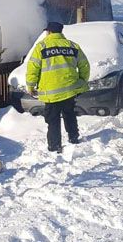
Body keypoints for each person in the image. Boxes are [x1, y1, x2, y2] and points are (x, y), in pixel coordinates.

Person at [26, 22, 90, 153]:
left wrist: (31, 85)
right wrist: (82, 80)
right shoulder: (72, 46)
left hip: (52, 92)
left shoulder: (41, 47)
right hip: (70, 89)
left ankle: (55, 146)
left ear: (49, 32)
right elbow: (85, 65)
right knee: (69, 114)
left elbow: (33, 68)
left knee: (53, 119)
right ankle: (74, 138)